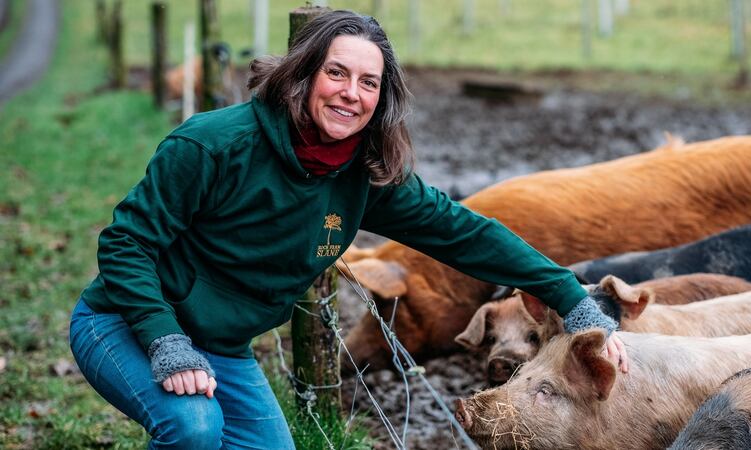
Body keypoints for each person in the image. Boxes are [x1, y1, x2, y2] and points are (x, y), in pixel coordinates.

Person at [69, 10, 628, 449]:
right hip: (125, 321)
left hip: (221, 347)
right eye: (336, 72)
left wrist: (568, 296)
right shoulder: (212, 145)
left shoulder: (366, 173)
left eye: (368, 82)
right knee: (193, 427)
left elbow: (464, 233)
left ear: (381, 99)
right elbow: (126, 243)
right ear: (304, 75)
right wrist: (165, 340)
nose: (349, 92)